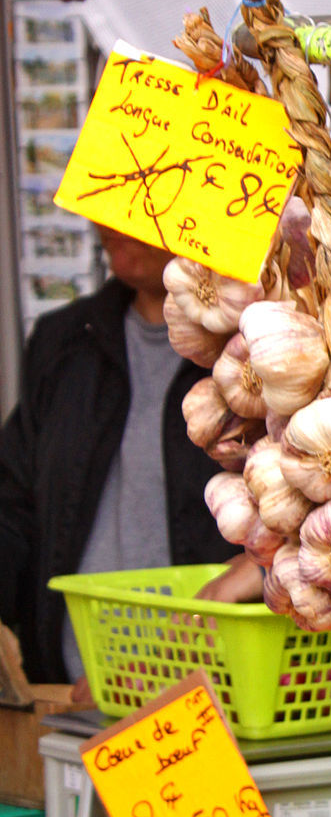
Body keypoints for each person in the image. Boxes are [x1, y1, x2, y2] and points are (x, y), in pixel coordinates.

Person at [0, 227, 235, 687]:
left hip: (223, 690)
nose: (116, 224)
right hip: (70, 692)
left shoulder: (256, 357)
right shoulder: (63, 340)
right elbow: (13, 503)